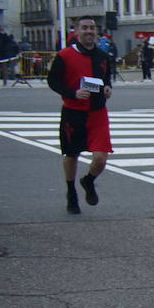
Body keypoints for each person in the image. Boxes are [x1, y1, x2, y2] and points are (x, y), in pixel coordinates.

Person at [47, 15, 114, 215]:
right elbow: (53, 81)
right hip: (73, 112)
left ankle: (88, 180)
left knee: (101, 158)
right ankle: (71, 192)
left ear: (96, 32)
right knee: (71, 154)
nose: (89, 31)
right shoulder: (64, 55)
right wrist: (72, 93)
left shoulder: (103, 56)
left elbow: (106, 78)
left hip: (97, 112)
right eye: (84, 28)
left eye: (92, 28)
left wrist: (108, 88)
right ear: (76, 32)